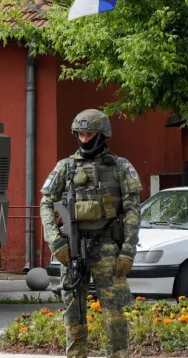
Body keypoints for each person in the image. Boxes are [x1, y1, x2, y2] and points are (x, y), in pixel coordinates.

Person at [40, 109, 142, 358]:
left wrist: (128, 250)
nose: (85, 139)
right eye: (81, 134)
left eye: (90, 134)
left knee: (114, 310)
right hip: (72, 248)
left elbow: (132, 211)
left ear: (102, 135)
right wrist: (55, 242)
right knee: (73, 310)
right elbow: (46, 203)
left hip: (107, 246)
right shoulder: (65, 167)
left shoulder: (120, 167)